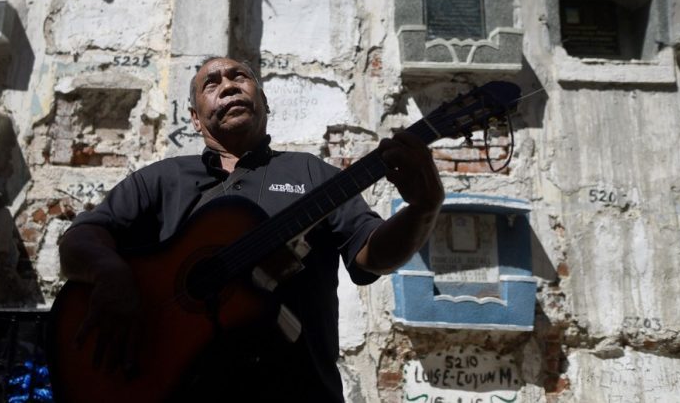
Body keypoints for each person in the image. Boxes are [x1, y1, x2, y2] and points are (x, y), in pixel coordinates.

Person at [58, 56, 444, 402]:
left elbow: (371, 254)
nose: (228, 84)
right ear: (195, 117)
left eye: (240, 77)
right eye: (212, 83)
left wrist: (423, 209)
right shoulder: (160, 181)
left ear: (264, 103)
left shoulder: (313, 175)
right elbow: (81, 238)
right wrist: (111, 274)